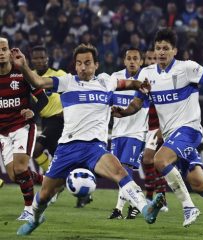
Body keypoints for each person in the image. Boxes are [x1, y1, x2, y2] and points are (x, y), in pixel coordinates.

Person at [112, 29, 203, 238]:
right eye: (158, 48)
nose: (161, 52)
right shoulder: (147, 74)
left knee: (159, 159)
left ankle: (188, 206)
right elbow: (137, 103)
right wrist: (123, 113)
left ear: (174, 51)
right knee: (200, 184)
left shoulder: (187, 68)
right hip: (172, 137)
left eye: (166, 49)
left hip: (190, 129)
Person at [12, 44, 164, 236]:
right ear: (75, 66)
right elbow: (38, 81)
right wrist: (23, 65)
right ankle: (34, 219)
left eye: (88, 63)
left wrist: (140, 85)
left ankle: (145, 209)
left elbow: (129, 84)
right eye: (79, 63)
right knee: (44, 194)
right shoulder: (67, 82)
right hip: (67, 148)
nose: (83, 67)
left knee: (120, 172)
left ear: (96, 65)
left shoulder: (107, 82)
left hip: (95, 148)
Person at [30, 45, 93, 208]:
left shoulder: (60, 75)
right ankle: (82, 193)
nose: (39, 61)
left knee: (36, 150)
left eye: (41, 57)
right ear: (31, 60)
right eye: (35, 58)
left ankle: (49, 180)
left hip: (59, 120)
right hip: (45, 122)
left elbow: (75, 91)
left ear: (47, 59)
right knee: (64, 162)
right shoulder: (31, 78)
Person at [0, 37, 43, 221]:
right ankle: (48, 182)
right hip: (3, 132)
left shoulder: (22, 74)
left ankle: (30, 210)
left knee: (20, 168)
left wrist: (31, 112)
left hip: (22, 127)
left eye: (4, 49)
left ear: (10, 51)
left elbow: (43, 99)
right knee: (14, 175)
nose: (1, 53)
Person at [108, 48, 150, 220]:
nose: (132, 61)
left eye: (136, 59)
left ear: (141, 62)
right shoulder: (115, 78)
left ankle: (118, 209)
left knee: (124, 169)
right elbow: (107, 99)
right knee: (118, 172)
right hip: (117, 133)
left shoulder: (146, 79)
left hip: (137, 132)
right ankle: (137, 202)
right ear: (124, 61)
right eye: (129, 58)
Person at [141, 47, 168, 209]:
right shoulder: (142, 79)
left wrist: (161, 129)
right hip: (143, 127)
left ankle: (155, 196)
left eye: (153, 58)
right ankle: (157, 197)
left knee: (149, 159)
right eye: (148, 59)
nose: (151, 61)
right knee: (150, 164)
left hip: (157, 127)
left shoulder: (161, 81)